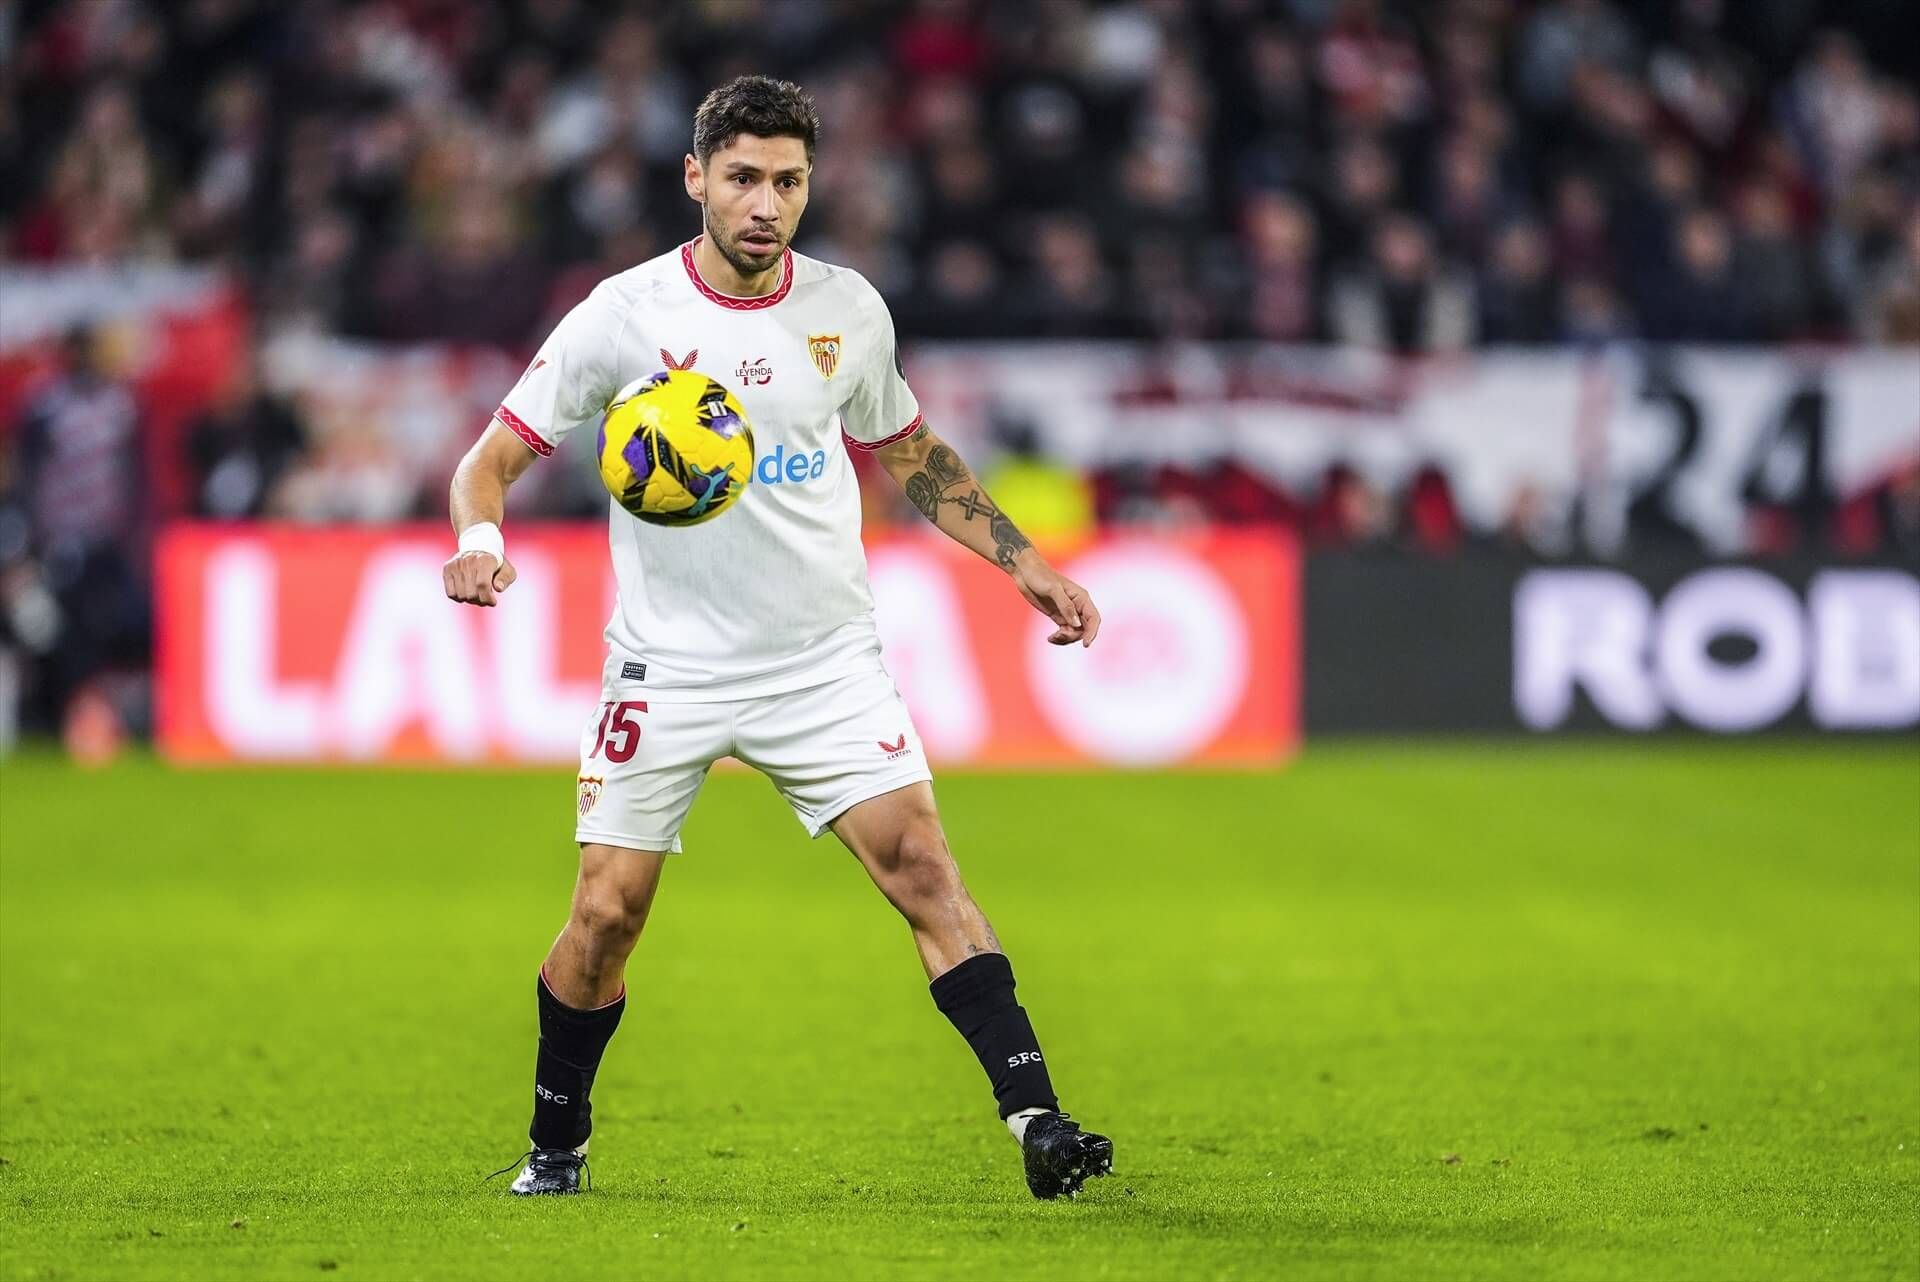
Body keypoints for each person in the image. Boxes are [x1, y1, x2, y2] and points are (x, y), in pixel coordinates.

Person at [442, 77, 1112, 1201]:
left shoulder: (847, 310)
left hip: (821, 663)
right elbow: (488, 461)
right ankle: (557, 1144)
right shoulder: (624, 314)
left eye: (789, 182)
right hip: (668, 666)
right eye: (743, 178)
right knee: (605, 915)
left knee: (925, 870)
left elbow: (911, 453)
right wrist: (477, 538)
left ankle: (1038, 1119)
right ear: (695, 177)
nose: (766, 205)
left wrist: (1024, 561)